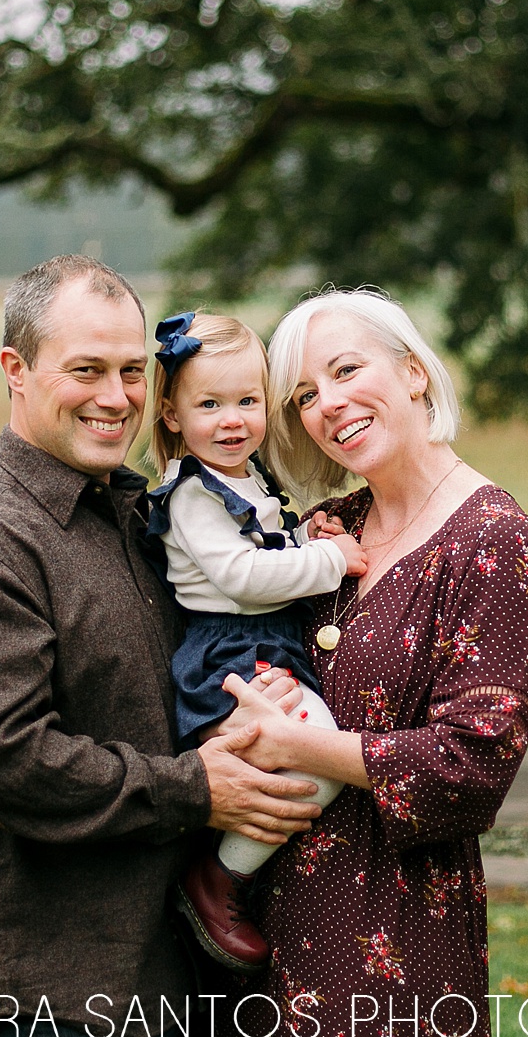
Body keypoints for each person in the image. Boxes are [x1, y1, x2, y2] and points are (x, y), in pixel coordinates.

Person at [0, 255, 324, 1037]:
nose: (115, 396)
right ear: (16, 370)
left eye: (132, 370)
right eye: (86, 369)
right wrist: (197, 786)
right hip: (74, 981)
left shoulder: (137, 515)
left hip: (176, 959)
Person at [205, 289, 528, 1037]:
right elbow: (247, 655)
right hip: (258, 914)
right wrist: (243, 715)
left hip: (391, 928)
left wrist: (301, 744)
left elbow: (472, 765)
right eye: (304, 395)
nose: (329, 404)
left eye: (346, 370)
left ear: (412, 371)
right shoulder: (332, 527)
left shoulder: (493, 538)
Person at [143, 311, 369, 974]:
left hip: (261, 641)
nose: (232, 418)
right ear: (173, 414)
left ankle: (228, 864)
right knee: (323, 752)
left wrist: (307, 539)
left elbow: (263, 549)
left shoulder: (249, 477)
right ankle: (218, 878)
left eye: (247, 401)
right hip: (229, 652)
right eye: (209, 403)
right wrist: (334, 562)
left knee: (306, 750)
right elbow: (240, 577)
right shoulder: (190, 492)